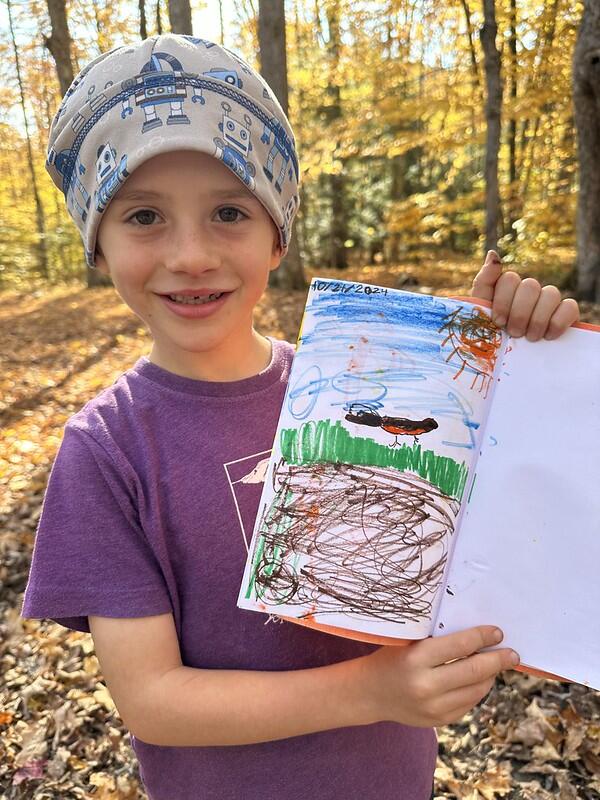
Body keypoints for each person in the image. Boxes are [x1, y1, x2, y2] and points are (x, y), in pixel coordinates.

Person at [22, 34, 580, 800]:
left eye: (228, 211)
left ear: (278, 233)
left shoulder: (365, 381)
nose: (190, 254)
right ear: (97, 244)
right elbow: (152, 701)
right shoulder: (106, 449)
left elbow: (505, 521)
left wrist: (507, 363)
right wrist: (373, 692)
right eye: (144, 216)